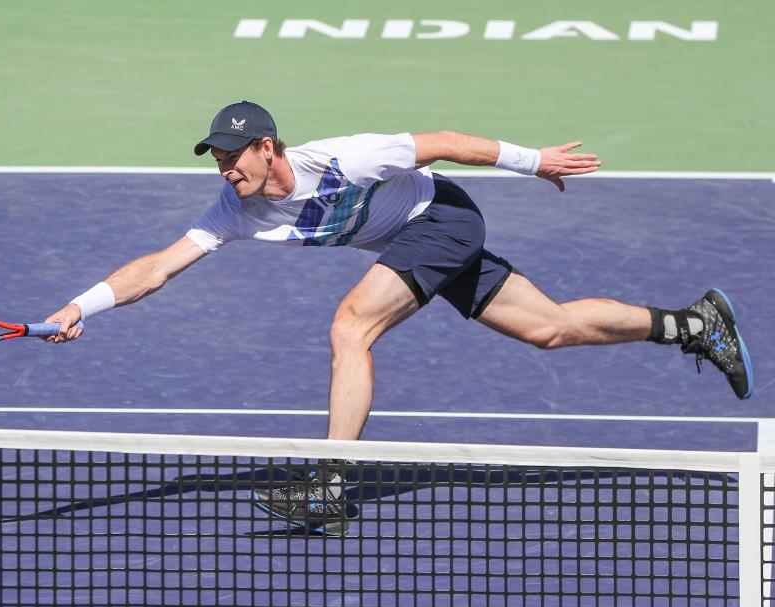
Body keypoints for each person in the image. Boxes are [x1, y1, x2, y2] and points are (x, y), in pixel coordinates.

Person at [45, 100, 753, 535]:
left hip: (439, 217)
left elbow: (443, 140)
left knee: (350, 325)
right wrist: (81, 305)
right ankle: (694, 324)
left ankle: (328, 483)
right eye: (217, 159)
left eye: (234, 156)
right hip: (416, 243)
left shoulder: (345, 159)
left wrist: (533, 161)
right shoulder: (234, 210)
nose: (225, 169)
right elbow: (159, 265)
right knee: (551, 328)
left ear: (270, 147)